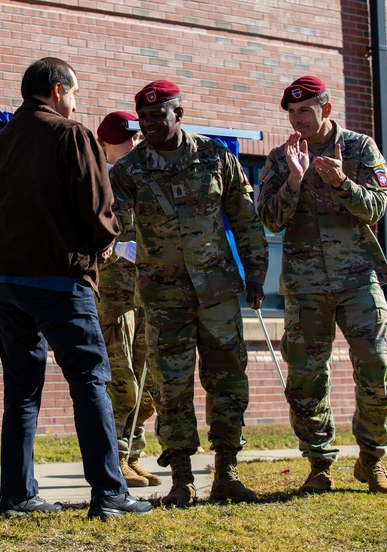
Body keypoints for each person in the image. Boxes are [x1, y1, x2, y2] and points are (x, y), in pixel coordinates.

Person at [0, 57, 152, 519]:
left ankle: (16, 494)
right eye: (74, 93)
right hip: (57, 279)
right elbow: (97, 207)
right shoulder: (71, 135)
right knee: (90, 380)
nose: (75, 102)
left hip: (1, 279)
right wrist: (105, 243)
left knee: (22, 389)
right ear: (57, 91)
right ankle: (110, 494)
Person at [110, 80, 268, 507]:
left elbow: (245, 218)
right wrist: (126, 247)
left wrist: (256, 273)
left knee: (228, 380)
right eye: (142, 119)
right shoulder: (129, 170)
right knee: (170, 386)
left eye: (157, 117)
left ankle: (227, 473)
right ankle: (182, 479)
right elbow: (113, 223)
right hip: (163, 298)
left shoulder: (216, 157)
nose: (149, 126)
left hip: (217, 291)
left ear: (179, 114)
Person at [256, 75, 387, 495]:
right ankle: (319, 464)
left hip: (358, 279)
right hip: (304, 285)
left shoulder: (360, 148)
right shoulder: (280, 159)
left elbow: (377, 207)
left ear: (327, 109)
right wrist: (294, 182)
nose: (298, 118)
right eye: (292, 112)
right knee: (305, 377)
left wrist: (340, 182)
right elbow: (268, 219)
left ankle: (372, 459)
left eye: (306, 110)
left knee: (376, 365)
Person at [94, 111, 161, 488]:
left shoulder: (146, 176)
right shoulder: (95, 178)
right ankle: (114, 458)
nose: (134, 145)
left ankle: (133, 454)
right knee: (122, 382)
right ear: (105, 143)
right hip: (113, 297)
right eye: (126, 139)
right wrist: (118, 247)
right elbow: (81, 226)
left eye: (138, 138)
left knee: (147, 380)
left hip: (146, 291)